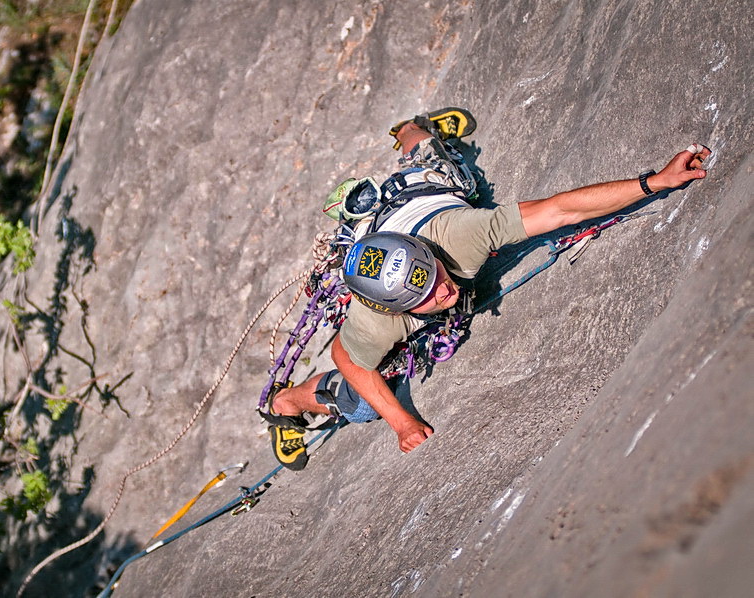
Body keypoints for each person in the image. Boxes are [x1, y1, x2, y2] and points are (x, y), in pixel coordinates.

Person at [263, 108, 711, 470]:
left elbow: (559, 211)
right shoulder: (379, 317)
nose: (444, 290)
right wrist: (401, 423)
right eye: (426, 296)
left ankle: (407, 127)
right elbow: (347, 357)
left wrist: (655, 181)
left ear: (429, 254)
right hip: (375, 249)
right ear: (400, 310)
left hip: (421, 200)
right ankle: (286, 403)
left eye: (435, 272)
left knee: (435, 159)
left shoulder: (461, 237)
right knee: (362, 404)